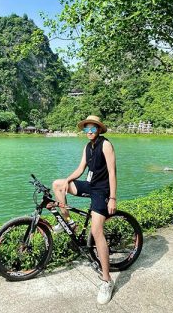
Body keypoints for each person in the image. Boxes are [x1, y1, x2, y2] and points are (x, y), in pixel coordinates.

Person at [51, 115, 117, 305]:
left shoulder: (106, 145)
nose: (89, 132)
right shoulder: (87, 147)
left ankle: (106, 281)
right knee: (57, 185)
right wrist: (67, 180)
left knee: (96, 232)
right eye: (86, 129)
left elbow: (112, 172)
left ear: (99, 129)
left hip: (102, 190)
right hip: (89, 184)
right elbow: (81, 169)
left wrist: (112, 197)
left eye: (92, 128)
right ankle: (69, 222)